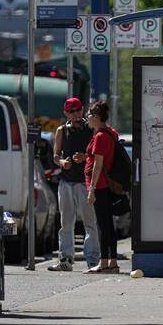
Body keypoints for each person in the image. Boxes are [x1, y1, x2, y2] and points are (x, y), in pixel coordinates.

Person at [47, 97, 99, 271]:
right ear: (66, 113)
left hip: (85, 182)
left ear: (82, 109)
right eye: (72, 111)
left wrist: (85, 157)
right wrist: (62, 163)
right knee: (66, 223)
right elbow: (55, 155)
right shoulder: (62, 130)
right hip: (67, 181)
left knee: (89, 222)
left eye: (78, 110)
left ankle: (92, 260)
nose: (76, 114)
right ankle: (65, 259)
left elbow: (97, 154)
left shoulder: (90, 129)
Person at [83, 100, 120, 274]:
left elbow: (98, 165)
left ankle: (104, 262)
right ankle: (112, 261)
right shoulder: (110, 132)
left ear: (96, 117)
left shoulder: (100, 136)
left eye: (89, 115)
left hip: (100, 186)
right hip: (105, 185)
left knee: (103, 226)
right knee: (108, 225)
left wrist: (92, 190)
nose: (87, 118)